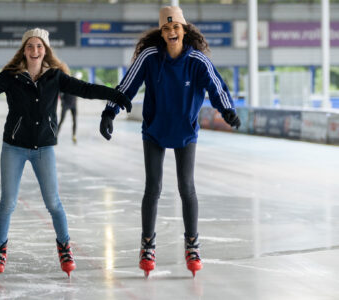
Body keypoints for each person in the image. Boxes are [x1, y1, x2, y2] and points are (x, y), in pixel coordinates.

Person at [0, 28, 131, 279]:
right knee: (8, 203)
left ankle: (65, 248)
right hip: (14, 148)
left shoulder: (56, 77)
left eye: (39, 46)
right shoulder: (11, 77)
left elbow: (87, 89)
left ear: (45, 50)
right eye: (30, 46)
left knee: (54, 203)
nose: (35, 50)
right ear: (24, 50)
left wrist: (115, 95)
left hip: (44, 148)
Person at [99, 6, 240, 277]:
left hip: (185, 131)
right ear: (162, 33)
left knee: (186, 186)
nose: (171, 31)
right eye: (166, 28)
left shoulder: (197, 61)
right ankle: (148, 245)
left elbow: (216, 86)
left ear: (184, 30)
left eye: (176, 27)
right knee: (153, 187)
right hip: (154, 130)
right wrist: (109, 112)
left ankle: (192, 244)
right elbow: (127, 84)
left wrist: (228, 110)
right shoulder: (150, 57)